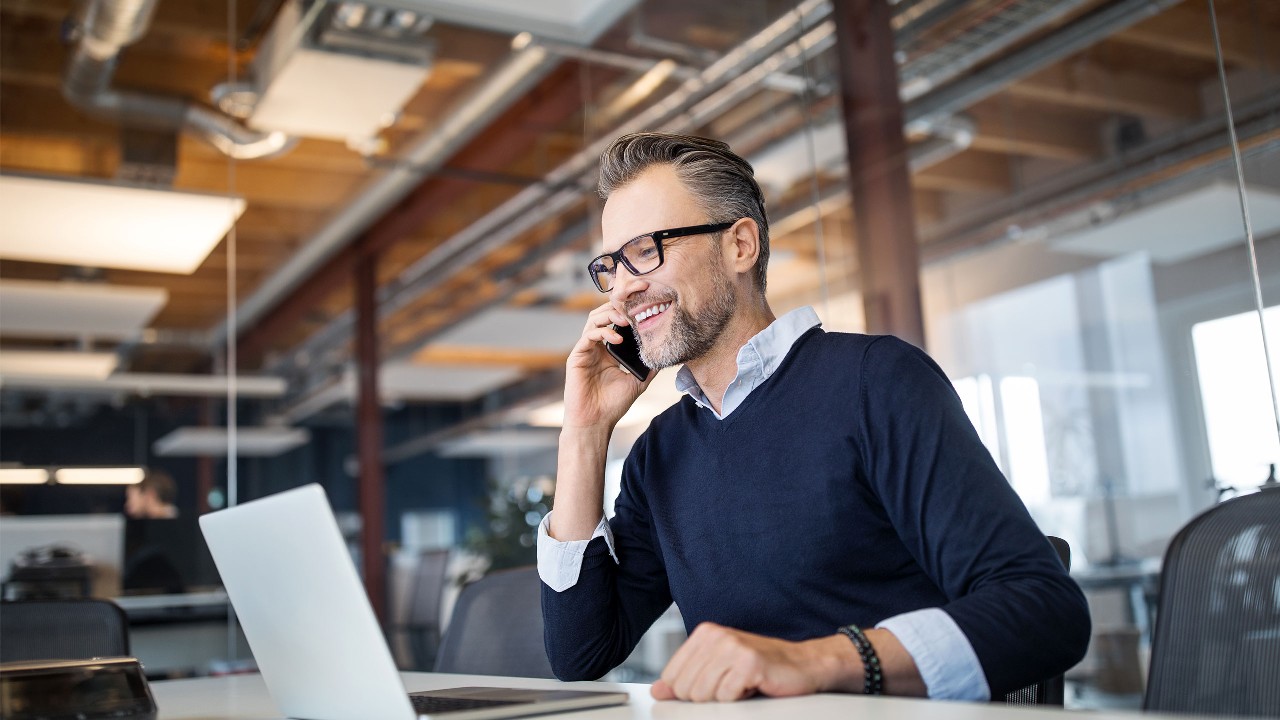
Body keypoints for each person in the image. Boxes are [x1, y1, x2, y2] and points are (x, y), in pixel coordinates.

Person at [537, 132, 1090, 703]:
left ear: (740, 246)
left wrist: (816, 661)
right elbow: (581, 653)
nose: (624, 287)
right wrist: (583, 433)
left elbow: (1045, 610)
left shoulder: (876, 382)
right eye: (610, 266)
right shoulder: (661, 452)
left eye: (647, 249)